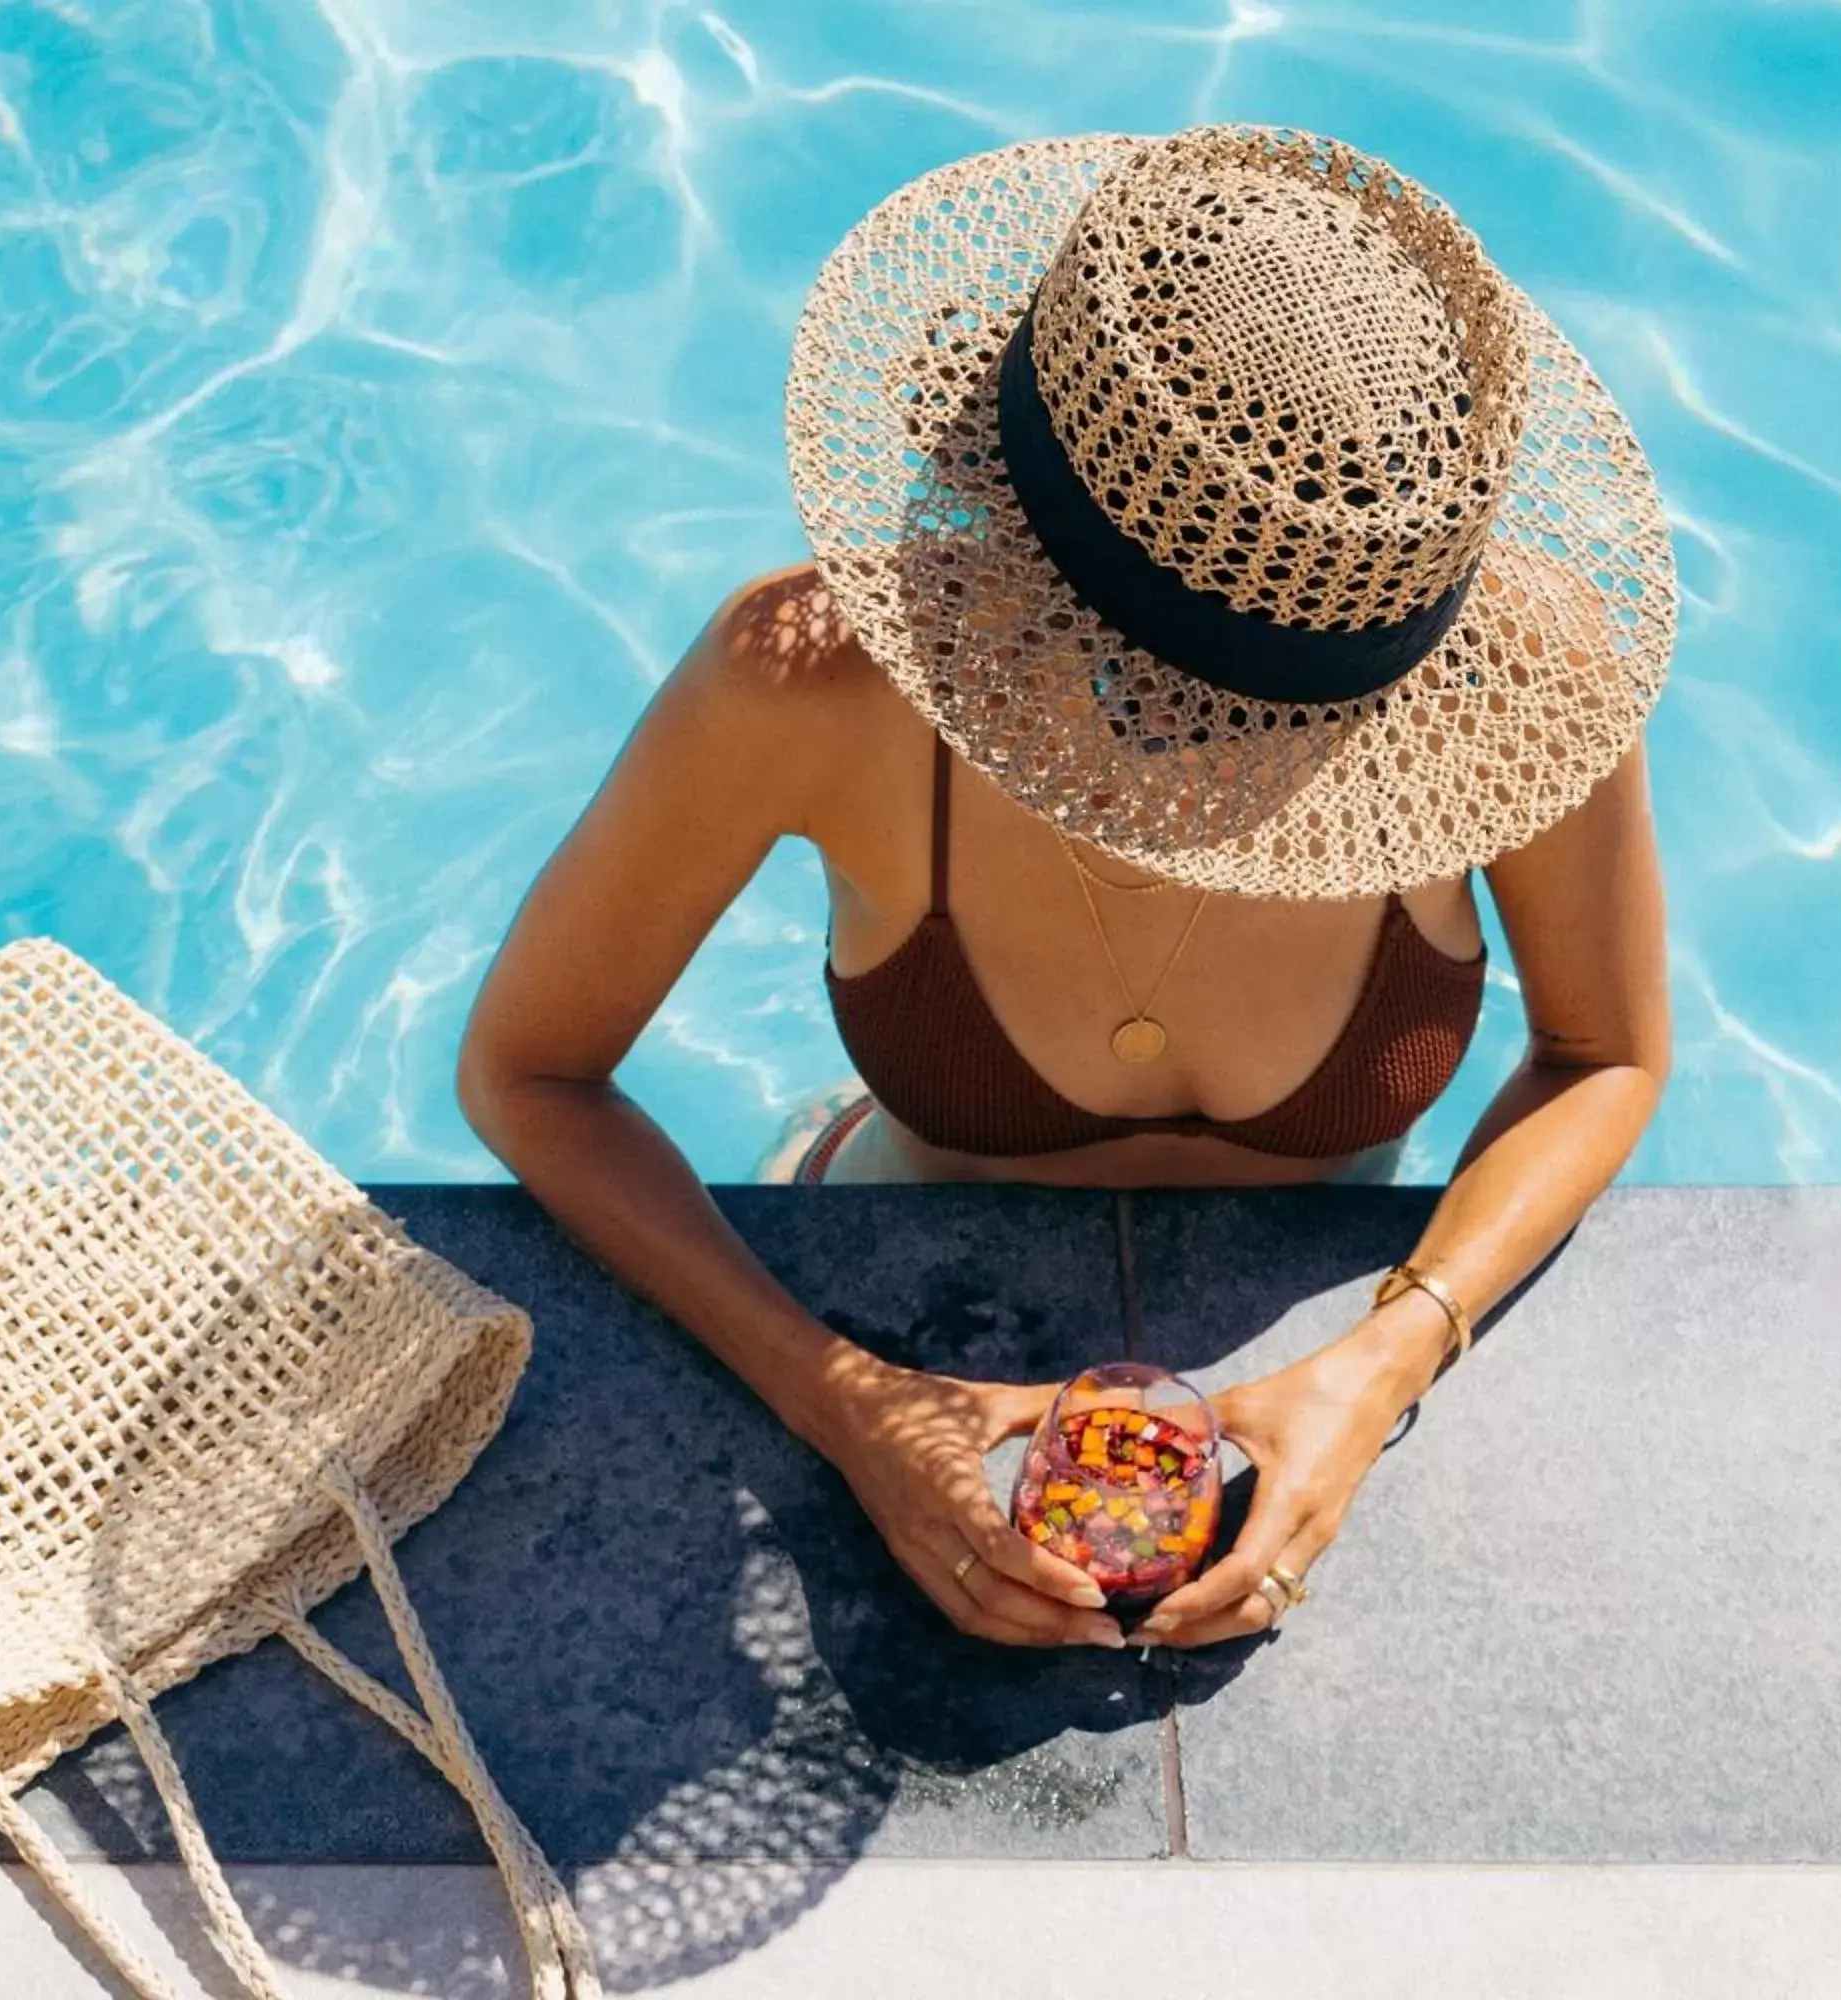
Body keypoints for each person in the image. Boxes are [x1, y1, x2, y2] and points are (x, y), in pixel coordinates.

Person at [456, 127, 1676, 1651]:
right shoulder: (811, 682)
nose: (1212, 780)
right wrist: (848, 1402)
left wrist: (1381, 1366)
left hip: (1320, 1344)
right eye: (1169, 706)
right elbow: (532, 1073)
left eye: (1273, 723)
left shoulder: (1518, 675)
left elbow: (1607, 1053)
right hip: (871, 1272)